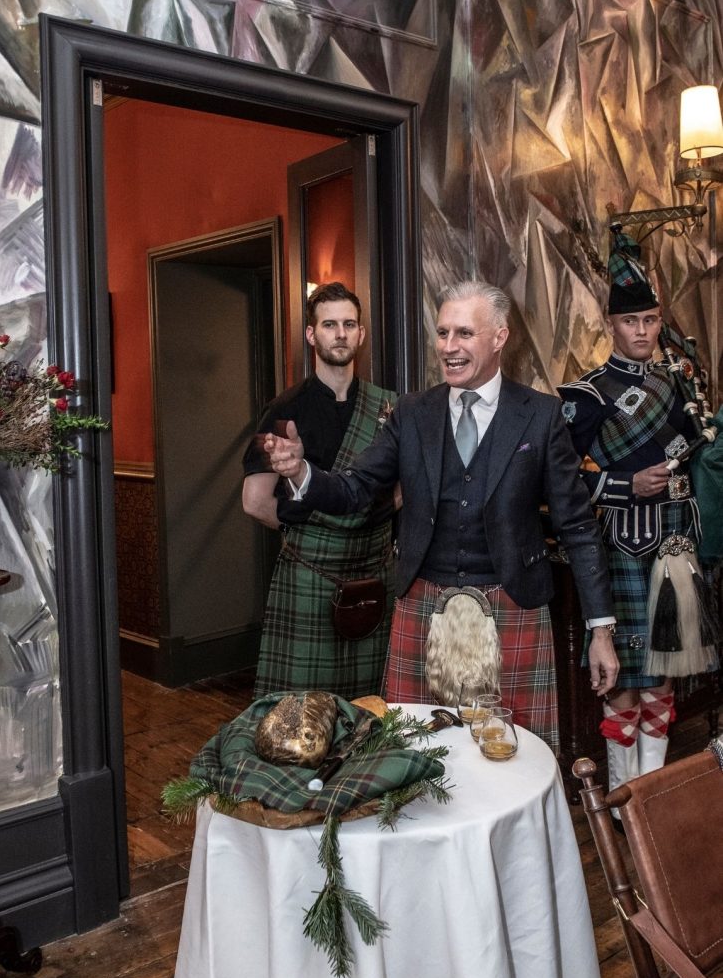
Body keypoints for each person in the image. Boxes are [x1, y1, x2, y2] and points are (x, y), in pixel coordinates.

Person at [263, 280, 620, 753]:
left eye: (464, 334)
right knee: (416, 754)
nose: (449, 347)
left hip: (513, 603)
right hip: (423, 604)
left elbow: (577, 524)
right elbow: (355, 488)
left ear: (499, 337)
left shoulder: (541, 414)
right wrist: (302, 472)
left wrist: (601, 629)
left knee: (516, 756)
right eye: (443, 333)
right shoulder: (412, 412)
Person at [558, 250, 718, 801]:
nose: (643, 331)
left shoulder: (680, 386)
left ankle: (651, 798)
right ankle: (623, 802)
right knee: (624, 680)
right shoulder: (587, 396)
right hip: (622, 543)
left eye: (650, 319)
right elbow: (560, 480)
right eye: (631, 321)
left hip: (677, 539)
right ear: (611, 324)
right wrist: (625, 486)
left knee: (664, 674)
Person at [242, 281, 398, 701]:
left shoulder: (389, 407)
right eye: (330, 325)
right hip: (311, 573)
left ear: (361, 334)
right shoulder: (283, 410)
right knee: (300, 710)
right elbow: (254, 501)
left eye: (349, 324)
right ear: (311, 335)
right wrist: (310, 535)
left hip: (375, 572)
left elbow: (404, 490)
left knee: (374, 708)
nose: (341, 334)